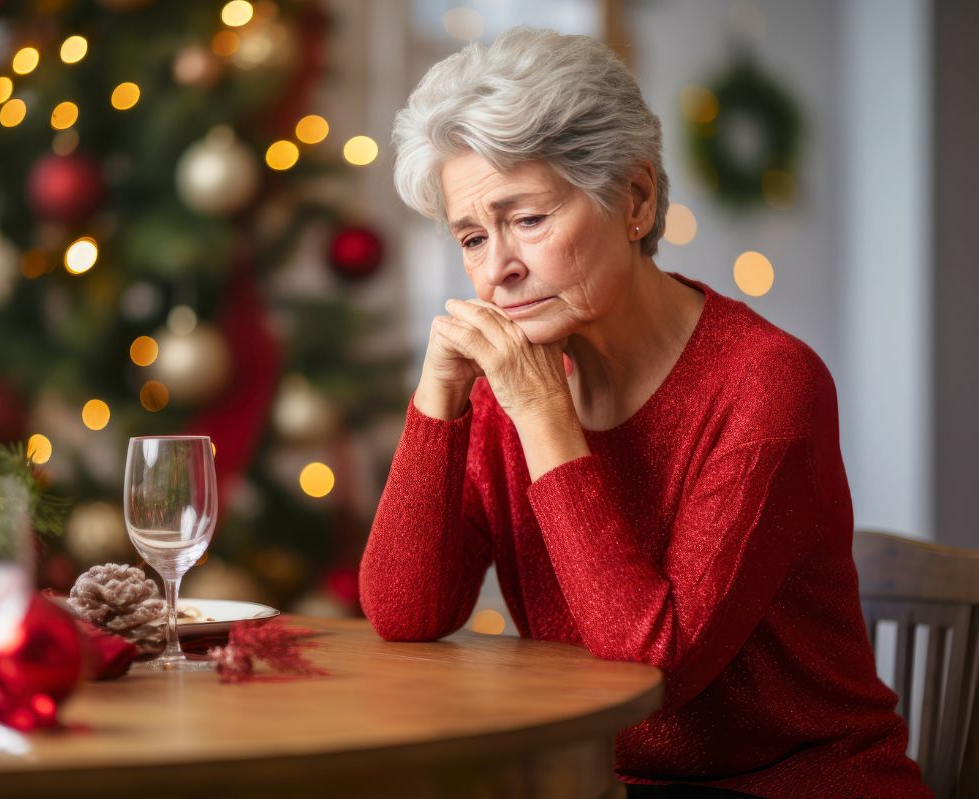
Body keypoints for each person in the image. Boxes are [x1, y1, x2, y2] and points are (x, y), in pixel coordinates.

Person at [360, 26, 929, 799]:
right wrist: (438, 402)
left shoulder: (767, 383)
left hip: (798, 784)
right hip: (597, 783)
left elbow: (656, 662)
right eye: (471, 235)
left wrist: (542, 412)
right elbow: (405, 609)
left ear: (635, 198)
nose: (498, 269)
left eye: (527, 218)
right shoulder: (501, 388)